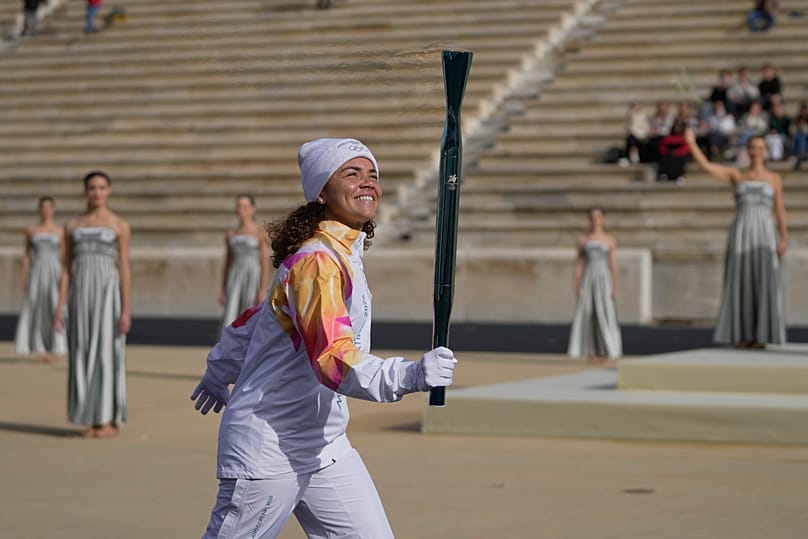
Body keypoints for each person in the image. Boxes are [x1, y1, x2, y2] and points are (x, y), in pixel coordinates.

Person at [192, 138, 457, 538]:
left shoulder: (343, 252)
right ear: (321, 191)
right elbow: (332, 357)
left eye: (373, 174)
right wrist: (411, 375)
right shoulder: (317, 261)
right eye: (351, 173)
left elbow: (256, 321)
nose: (367, 182)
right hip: (270, 449)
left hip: (324, 445)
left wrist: (219, 368)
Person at [684, 128, 787, 348]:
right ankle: (742, 334)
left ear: (766, 151)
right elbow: (707, 167)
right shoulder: (737, 175)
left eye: (760, 148)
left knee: (763, 281)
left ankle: (761, 335)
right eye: (752, 147)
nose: (756, 151)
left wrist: (783, 238)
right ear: (747, 150)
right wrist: (692, 143)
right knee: (741, 282)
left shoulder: (774, 178)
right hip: (741, 232)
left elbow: (780, 211)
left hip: (764, 234)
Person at [55, 171, 131, 438]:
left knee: (107, 352)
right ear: (85, 191)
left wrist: (125, 309)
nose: (96, 192)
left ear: (108, 190)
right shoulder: (72, 225)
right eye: (92, 188)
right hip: (80, 294)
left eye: (101, 187)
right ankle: (90, 416)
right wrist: (60, 306)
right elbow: (65, 269)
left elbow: (124, 268)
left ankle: (109, 418)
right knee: (83, 351)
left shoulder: (119, 225)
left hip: (108, 293)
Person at [15, 196, 66, 363]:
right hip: (37, 272)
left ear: (53, 209)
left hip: (54, 271)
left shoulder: (61, 231)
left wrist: (65, 277)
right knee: (36, 308)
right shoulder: (31, 230)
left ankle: (56, 346)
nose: (46, 210)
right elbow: (27, 256)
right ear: (39, 210)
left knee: (55, 306)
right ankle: (38, 347)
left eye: (49, 207)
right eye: (43, 207)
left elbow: (65, 256)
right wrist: (25, 277)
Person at [567, 208, 622, 365]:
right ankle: (591, 350)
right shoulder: (583, 240)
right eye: (592, 217)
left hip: (603, 279)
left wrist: (614, 286)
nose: (595, 220)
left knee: (604, 312)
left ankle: (605, 349)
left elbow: (612, 264)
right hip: (588, 278)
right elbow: (579, 264)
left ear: (603, 219)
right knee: (589, 314)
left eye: (598, 216)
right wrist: (577, 284)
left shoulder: (609, 240)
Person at [218, 194, 270, 331]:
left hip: (253, 277)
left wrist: (263, 289)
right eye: (239, 206)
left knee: (250, 313)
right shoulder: (230, 233)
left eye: (245, 206)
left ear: (252, 209)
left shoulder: (260, 233)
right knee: (231, 313)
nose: (241, 209)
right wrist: (223, 289)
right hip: (235, 277)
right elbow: (228, 262)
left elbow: (265, 262)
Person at [791, 101, 808, 170]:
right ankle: (800, 156)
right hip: (800, 137)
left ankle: (800, 156)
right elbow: (793, 130)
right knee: (799, 138)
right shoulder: (797, 119)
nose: (803, 112)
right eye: (802, 111)